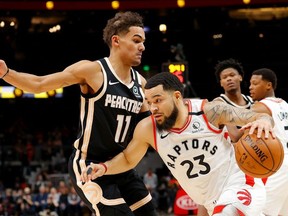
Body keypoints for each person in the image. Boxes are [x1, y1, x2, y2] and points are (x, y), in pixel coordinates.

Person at [0, 11, 157, 216]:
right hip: (89, 165)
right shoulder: (92, 71)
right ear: (116, 40)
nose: (142, 46)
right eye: (136, 40)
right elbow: (39, 84)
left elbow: (151, 128)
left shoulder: (141, 84)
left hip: (121, 166)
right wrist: (5, 73)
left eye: (143, 41)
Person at [81, 72, 275, 216]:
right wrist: (104, 167)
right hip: (209, 202)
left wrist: (263, 121)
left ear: (176, 97)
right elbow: (128, 158)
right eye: (149, 101)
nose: (153, 107)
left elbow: (260, 115)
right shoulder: (148, 128)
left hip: (241, 184)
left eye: (158, 100)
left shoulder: (210, 111)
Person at [197, 58, 254, 216]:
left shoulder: (252, 102)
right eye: (224, 77)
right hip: (222, 161)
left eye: (232, 75)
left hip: (247, 160)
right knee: (209, 202)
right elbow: (235, 136)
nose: (229, 79)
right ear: (221, 83)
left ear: (240, 77)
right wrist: (256, 120)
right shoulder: (220, 104)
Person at [249, 68, 288, 216]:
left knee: (262, 212)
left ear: (268, 85)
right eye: (250, 84)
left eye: (255, 83)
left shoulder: (259, 107)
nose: (250, 87)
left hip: (276, 163)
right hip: (284, 162)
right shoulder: (285, 104)